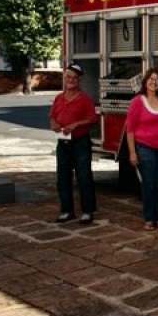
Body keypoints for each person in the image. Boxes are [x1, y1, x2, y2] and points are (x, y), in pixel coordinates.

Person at [49, 63, 98, 224]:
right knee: (62, 176)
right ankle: (66, 210)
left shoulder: (84, 99)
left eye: (74, 78)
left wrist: (77, 124)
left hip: (80, 142)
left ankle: (88, 211)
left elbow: (92, 119)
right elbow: (52, 117)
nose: (71, 80)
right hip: (63, 143)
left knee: (83, 176)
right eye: (68, 77)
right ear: (64, 78)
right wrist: (54, 124)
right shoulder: (59, 98)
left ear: (79, 81)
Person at [126, 67, 158, 231]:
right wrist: (132, 152)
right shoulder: (137, 101)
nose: (154, 82)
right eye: (151, 79)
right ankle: (149, 218)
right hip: (145, 147)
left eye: (157, 79)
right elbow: (130, 129)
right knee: (149, 184)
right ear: (145, 82)